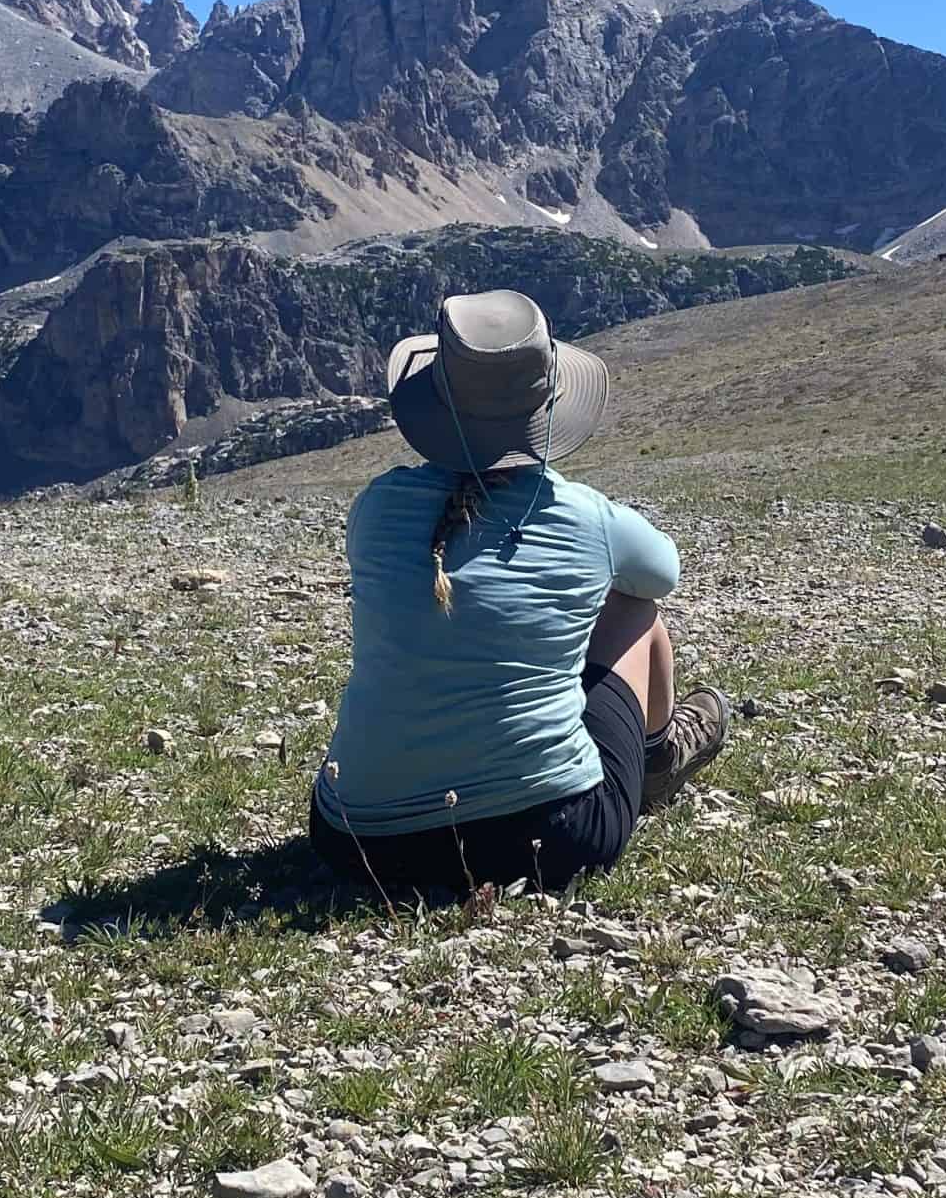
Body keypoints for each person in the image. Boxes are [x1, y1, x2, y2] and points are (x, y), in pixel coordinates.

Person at [308, 289, 731, 894]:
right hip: (550, 838)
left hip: (358, 844)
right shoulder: (584, 516)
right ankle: (656, 760)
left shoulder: (376, 506)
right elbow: (663, 572)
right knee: (637, 610)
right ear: (547, 407)